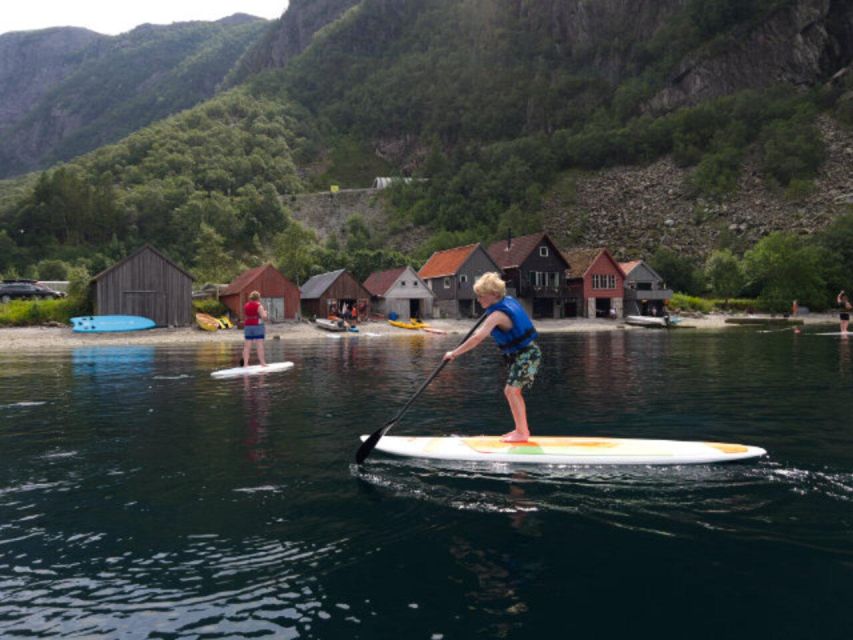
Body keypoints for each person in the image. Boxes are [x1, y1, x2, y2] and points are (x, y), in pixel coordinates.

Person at [443, 272, 542, 443]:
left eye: (481, 296)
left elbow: (477, 338)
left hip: (527, 354)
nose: (478, 299)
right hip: (520, 354)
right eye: (478, 295)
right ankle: (521, 430)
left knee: (511, 391)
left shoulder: (497, 315)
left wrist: (454, 353)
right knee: (512, 391)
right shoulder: (504, 303)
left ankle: (523, 432)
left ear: (495, 295)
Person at [242, 291, 268, 366]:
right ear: (258, 298)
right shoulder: (259, 306)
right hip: (257, 325)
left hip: (247, 326)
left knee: (247, 346)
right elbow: (264, 317)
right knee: (259, 345)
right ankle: (262, 363)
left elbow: (246, 315)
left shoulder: (246, 305)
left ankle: (245, 364)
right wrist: (265, 313)